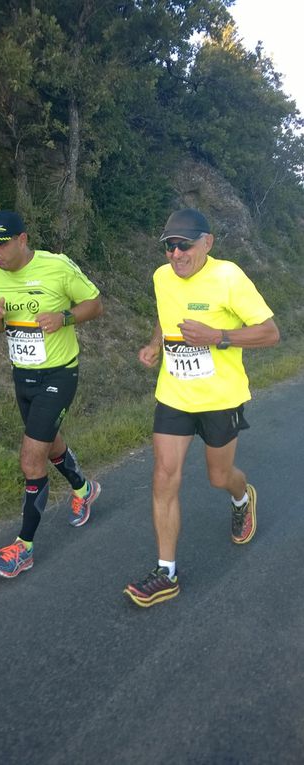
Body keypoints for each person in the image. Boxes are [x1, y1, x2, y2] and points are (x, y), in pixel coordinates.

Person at [123, 208, 280, 607]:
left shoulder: (229, 277)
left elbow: (270, 333)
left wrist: (218, 336)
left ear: (206, 243)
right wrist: (156, 344)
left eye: (184, 245)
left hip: (220, 398)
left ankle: (242, 498)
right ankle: (166, 572)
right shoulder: (162, 277)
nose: (175, 255)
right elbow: (165, 315)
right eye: (169, 247)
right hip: (174, 394)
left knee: (219, 476)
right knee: (164, 475)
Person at [0, 210, 103, 579]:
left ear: (22, 239)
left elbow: (96, 305)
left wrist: (64, 317)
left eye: (0, 244)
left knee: (31, 459)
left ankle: (24, 548)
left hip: (58, 373)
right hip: (23, 375)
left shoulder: (58, 267)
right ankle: (84, 488)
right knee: (48, 443)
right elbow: (1, 320)